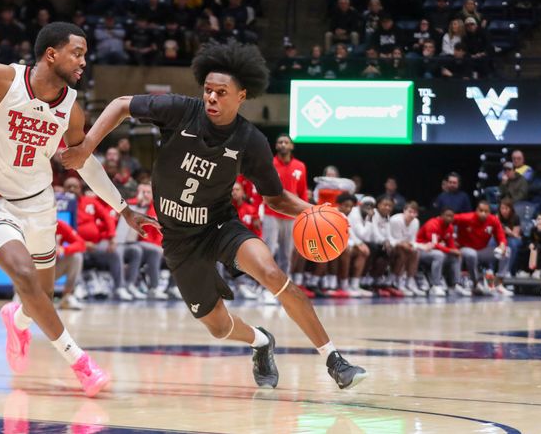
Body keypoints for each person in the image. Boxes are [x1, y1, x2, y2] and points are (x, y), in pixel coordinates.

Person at [62, 41, 367, 390]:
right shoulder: (181, 111)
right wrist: (87, 146)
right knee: (219, 327)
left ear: (242, 96)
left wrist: (310, 210)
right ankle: (261, 341)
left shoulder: (250, 142)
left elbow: (276, 198)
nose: (211, 98)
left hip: (220, 225)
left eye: (221, 93)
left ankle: (334, 360)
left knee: (271, 272)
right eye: (208, 90)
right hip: (178, 238)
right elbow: (120, 105)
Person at [0, 15, 158, 395]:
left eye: (85, 55)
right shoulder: (3, 78)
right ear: (51, 54)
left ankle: (17, 320)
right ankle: (81, 363)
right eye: (77, 53)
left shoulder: (71, 108)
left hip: (38, 205)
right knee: (24, 276)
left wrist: (123, 209)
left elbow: (84, 162)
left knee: (39, 301)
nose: (84, 62)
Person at [262, 134, 307, 298]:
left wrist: (304, 214)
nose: (283, 144)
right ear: (276, 146)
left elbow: (302, 192)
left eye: (286, 142)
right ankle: (265, 288)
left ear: (291, 146)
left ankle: (282, 289)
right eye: (280, 142)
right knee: (268, 252)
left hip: (291, 216)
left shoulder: (300, 166)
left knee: (286, 255)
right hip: (271, 213)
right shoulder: (270, 164)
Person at [454, 201, 507, 295]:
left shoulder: (493, 220)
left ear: (489, 212)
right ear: (476, 210)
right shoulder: (466, 218)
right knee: (472, 254)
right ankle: (476, 283)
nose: (483, 213)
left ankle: (498, 284)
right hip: (465, 249)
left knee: (507, 252)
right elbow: (446, 219)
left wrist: (502, 245)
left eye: (486, 211)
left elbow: (501, 236)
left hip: (482, 251)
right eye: (481, 210)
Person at [416, 208, 462, 297]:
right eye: (447, 215)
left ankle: (455, 285)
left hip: (434, 251)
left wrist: (455, 251)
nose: (450, 218)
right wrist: (450, 250)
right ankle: (435, 285)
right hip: (421, 251)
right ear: (441, 216)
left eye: (452, 216)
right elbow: (434, 244)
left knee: (455, 256)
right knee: (439, 255)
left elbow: (451, 244)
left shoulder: (450, 227)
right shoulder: (432, 224)